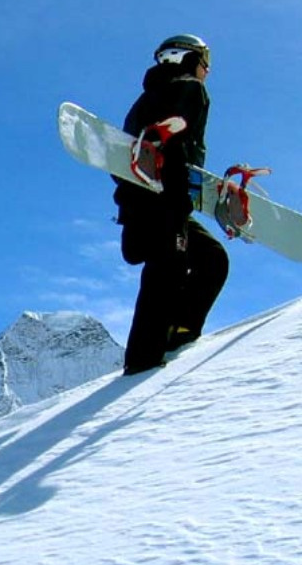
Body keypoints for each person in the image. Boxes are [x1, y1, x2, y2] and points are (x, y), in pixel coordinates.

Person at [114, 34, 229, 376]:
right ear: (188, 60)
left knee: (211, 258)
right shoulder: (190, 89)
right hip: (164, 204)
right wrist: (169, 131)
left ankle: (176, 331)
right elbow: (176, 127)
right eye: (205, 64)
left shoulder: (142, 102)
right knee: (167, 271)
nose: (206, 72)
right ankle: (145, 360)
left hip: (144, 205)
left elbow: (125, 161)